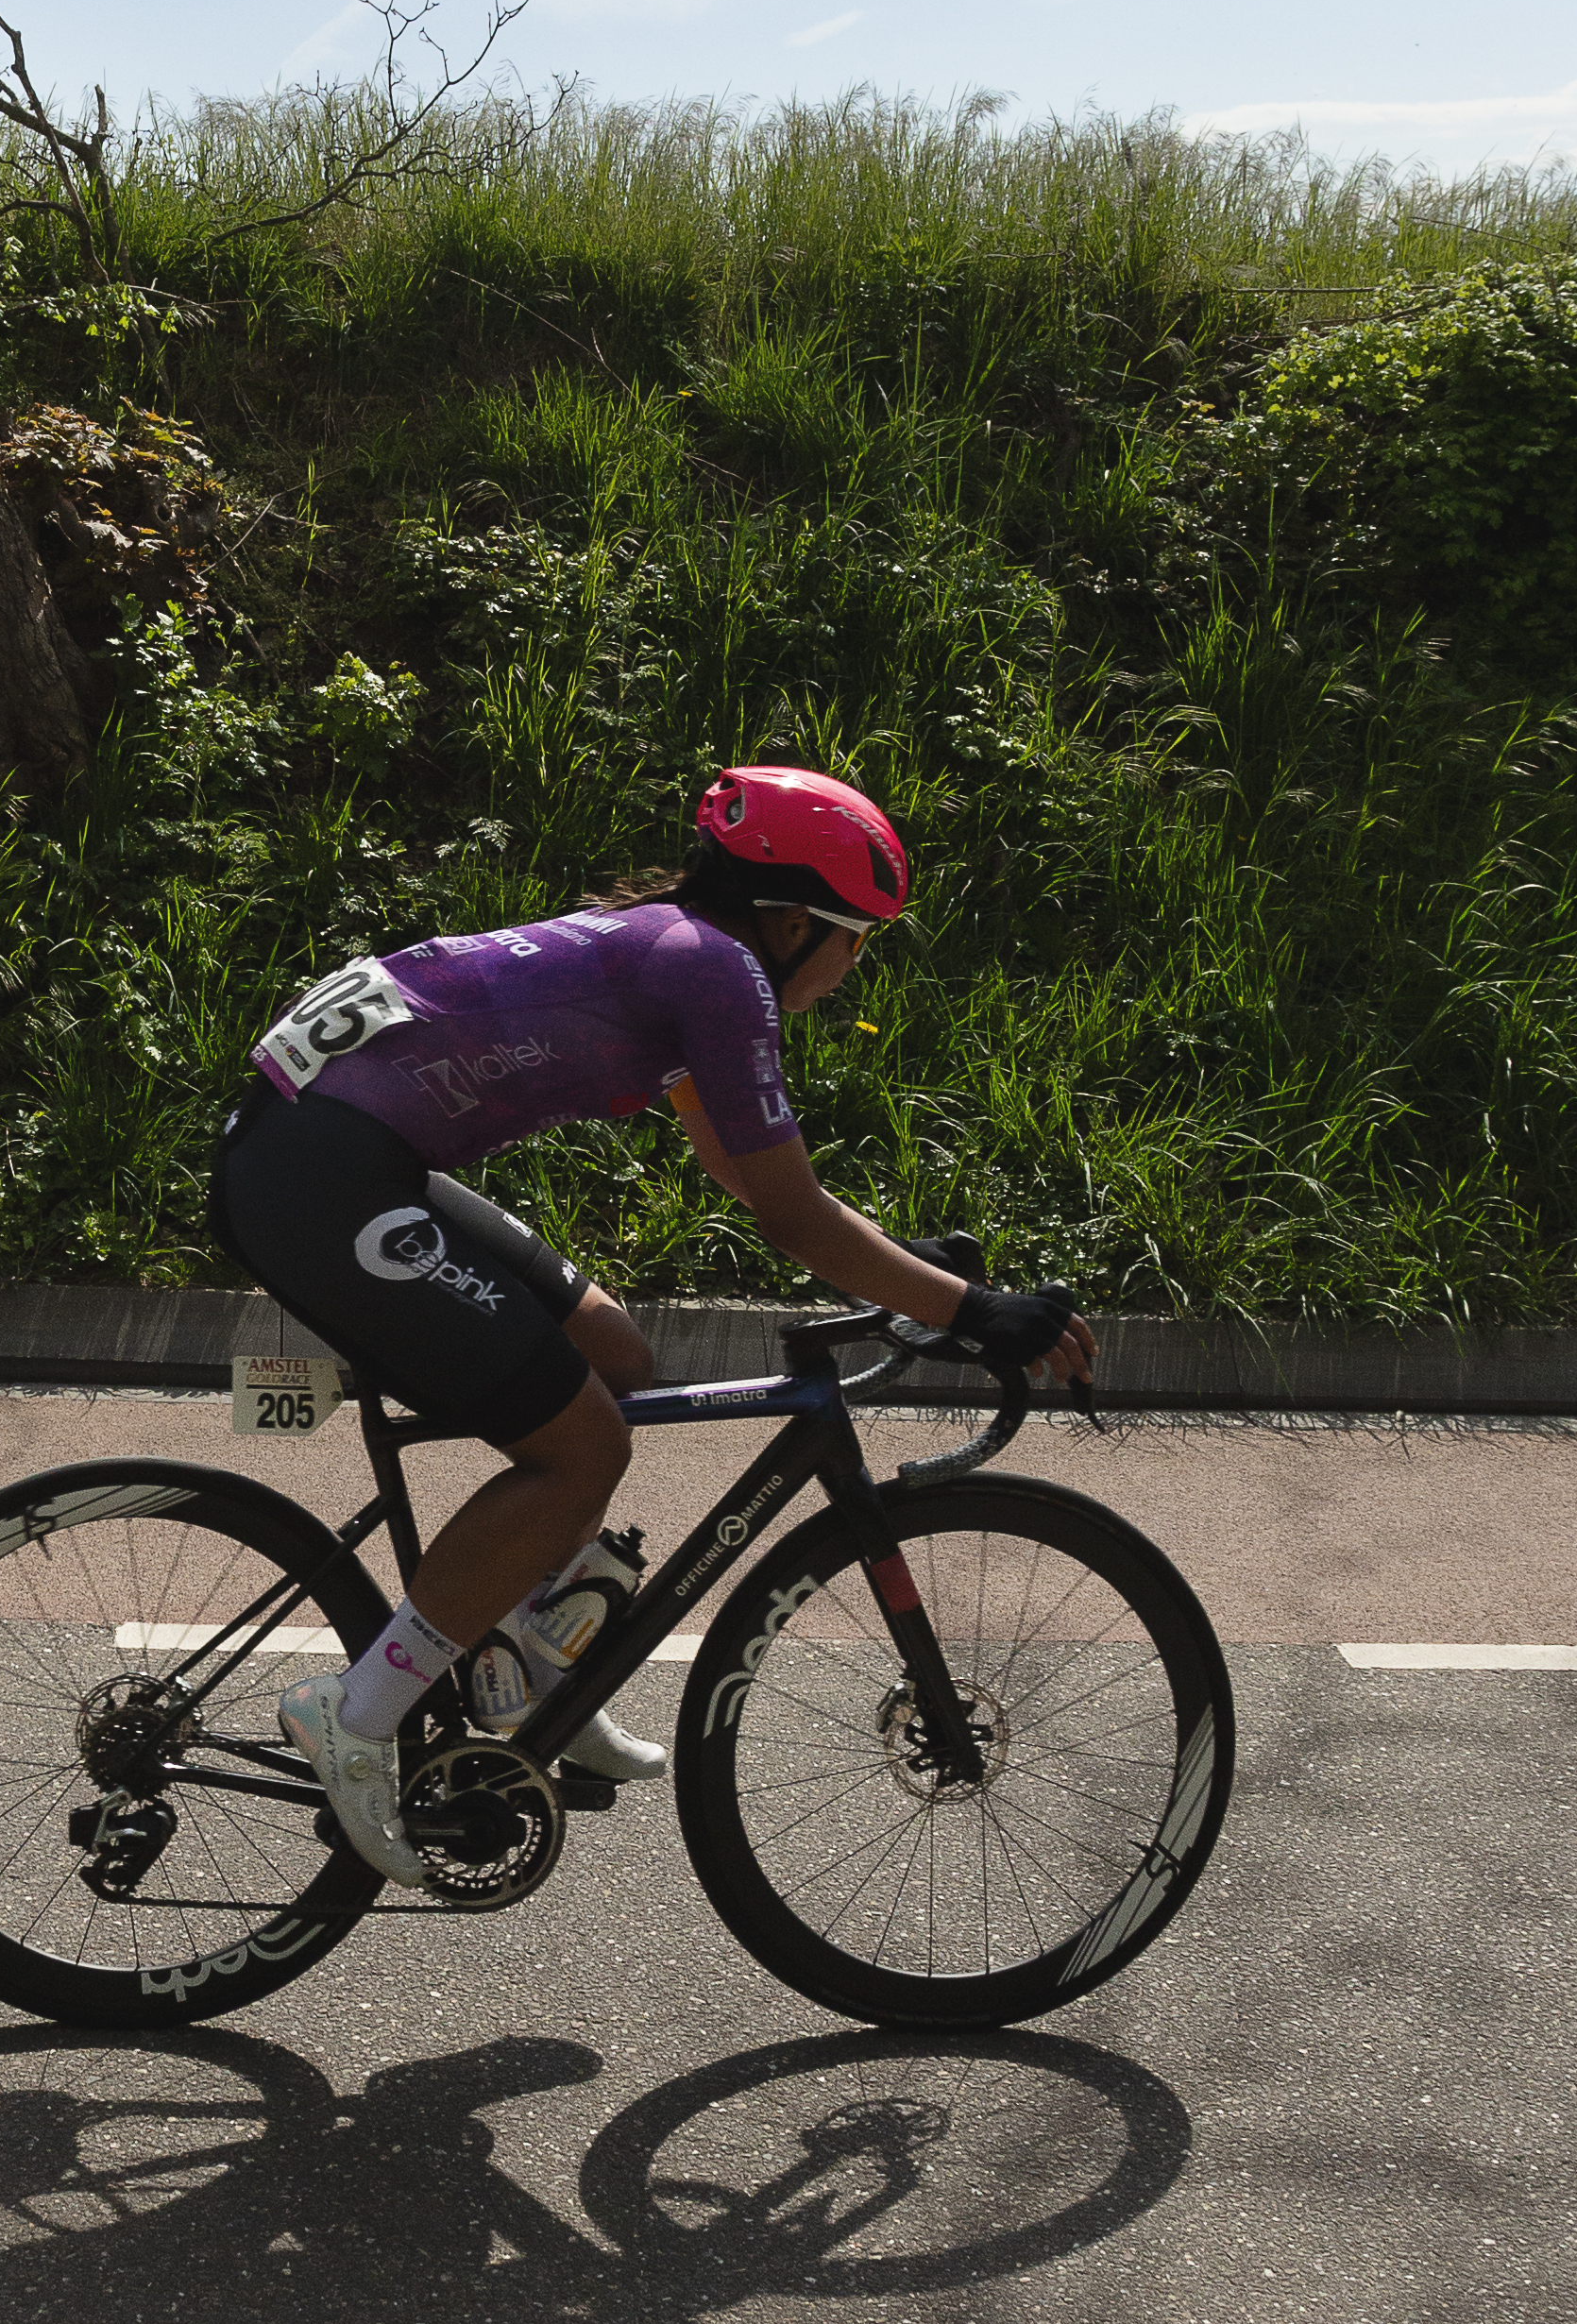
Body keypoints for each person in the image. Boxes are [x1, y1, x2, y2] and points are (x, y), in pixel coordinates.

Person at [209, 764, 1098, 1886]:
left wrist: (905, 1273)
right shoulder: (719, 972)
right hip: (320, 1178)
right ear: (791, 923)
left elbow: (745, 1169)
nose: (851, 969)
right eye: (854, 941)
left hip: (339, 1152)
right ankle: (357, 1708)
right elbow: (790, 1215)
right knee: (582, 1445)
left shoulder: (677, 947)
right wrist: (974, 1312)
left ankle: (525, 1662)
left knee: (614, 1357)